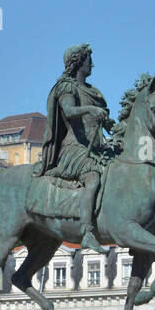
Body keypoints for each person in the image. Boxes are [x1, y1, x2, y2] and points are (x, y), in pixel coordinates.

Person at [34, 43, 113, 254]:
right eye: (89, 60)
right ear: (78, 62)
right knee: (93, 178)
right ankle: (87, 233)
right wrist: (91, 109)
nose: (92, 65)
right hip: (74, 149)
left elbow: (103, 121)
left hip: (97, 148)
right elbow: (69, 112)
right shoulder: (66, 87)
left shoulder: (93, 91)